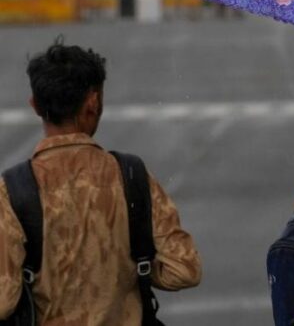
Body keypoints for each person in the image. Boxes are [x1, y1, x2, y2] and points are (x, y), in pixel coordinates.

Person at [0, 39, 202, 324]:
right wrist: (130, 266)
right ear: (93, 102)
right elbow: (184, 268)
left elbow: (3, 299)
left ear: (35, 105)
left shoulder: (11, 190)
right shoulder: (132, 176)